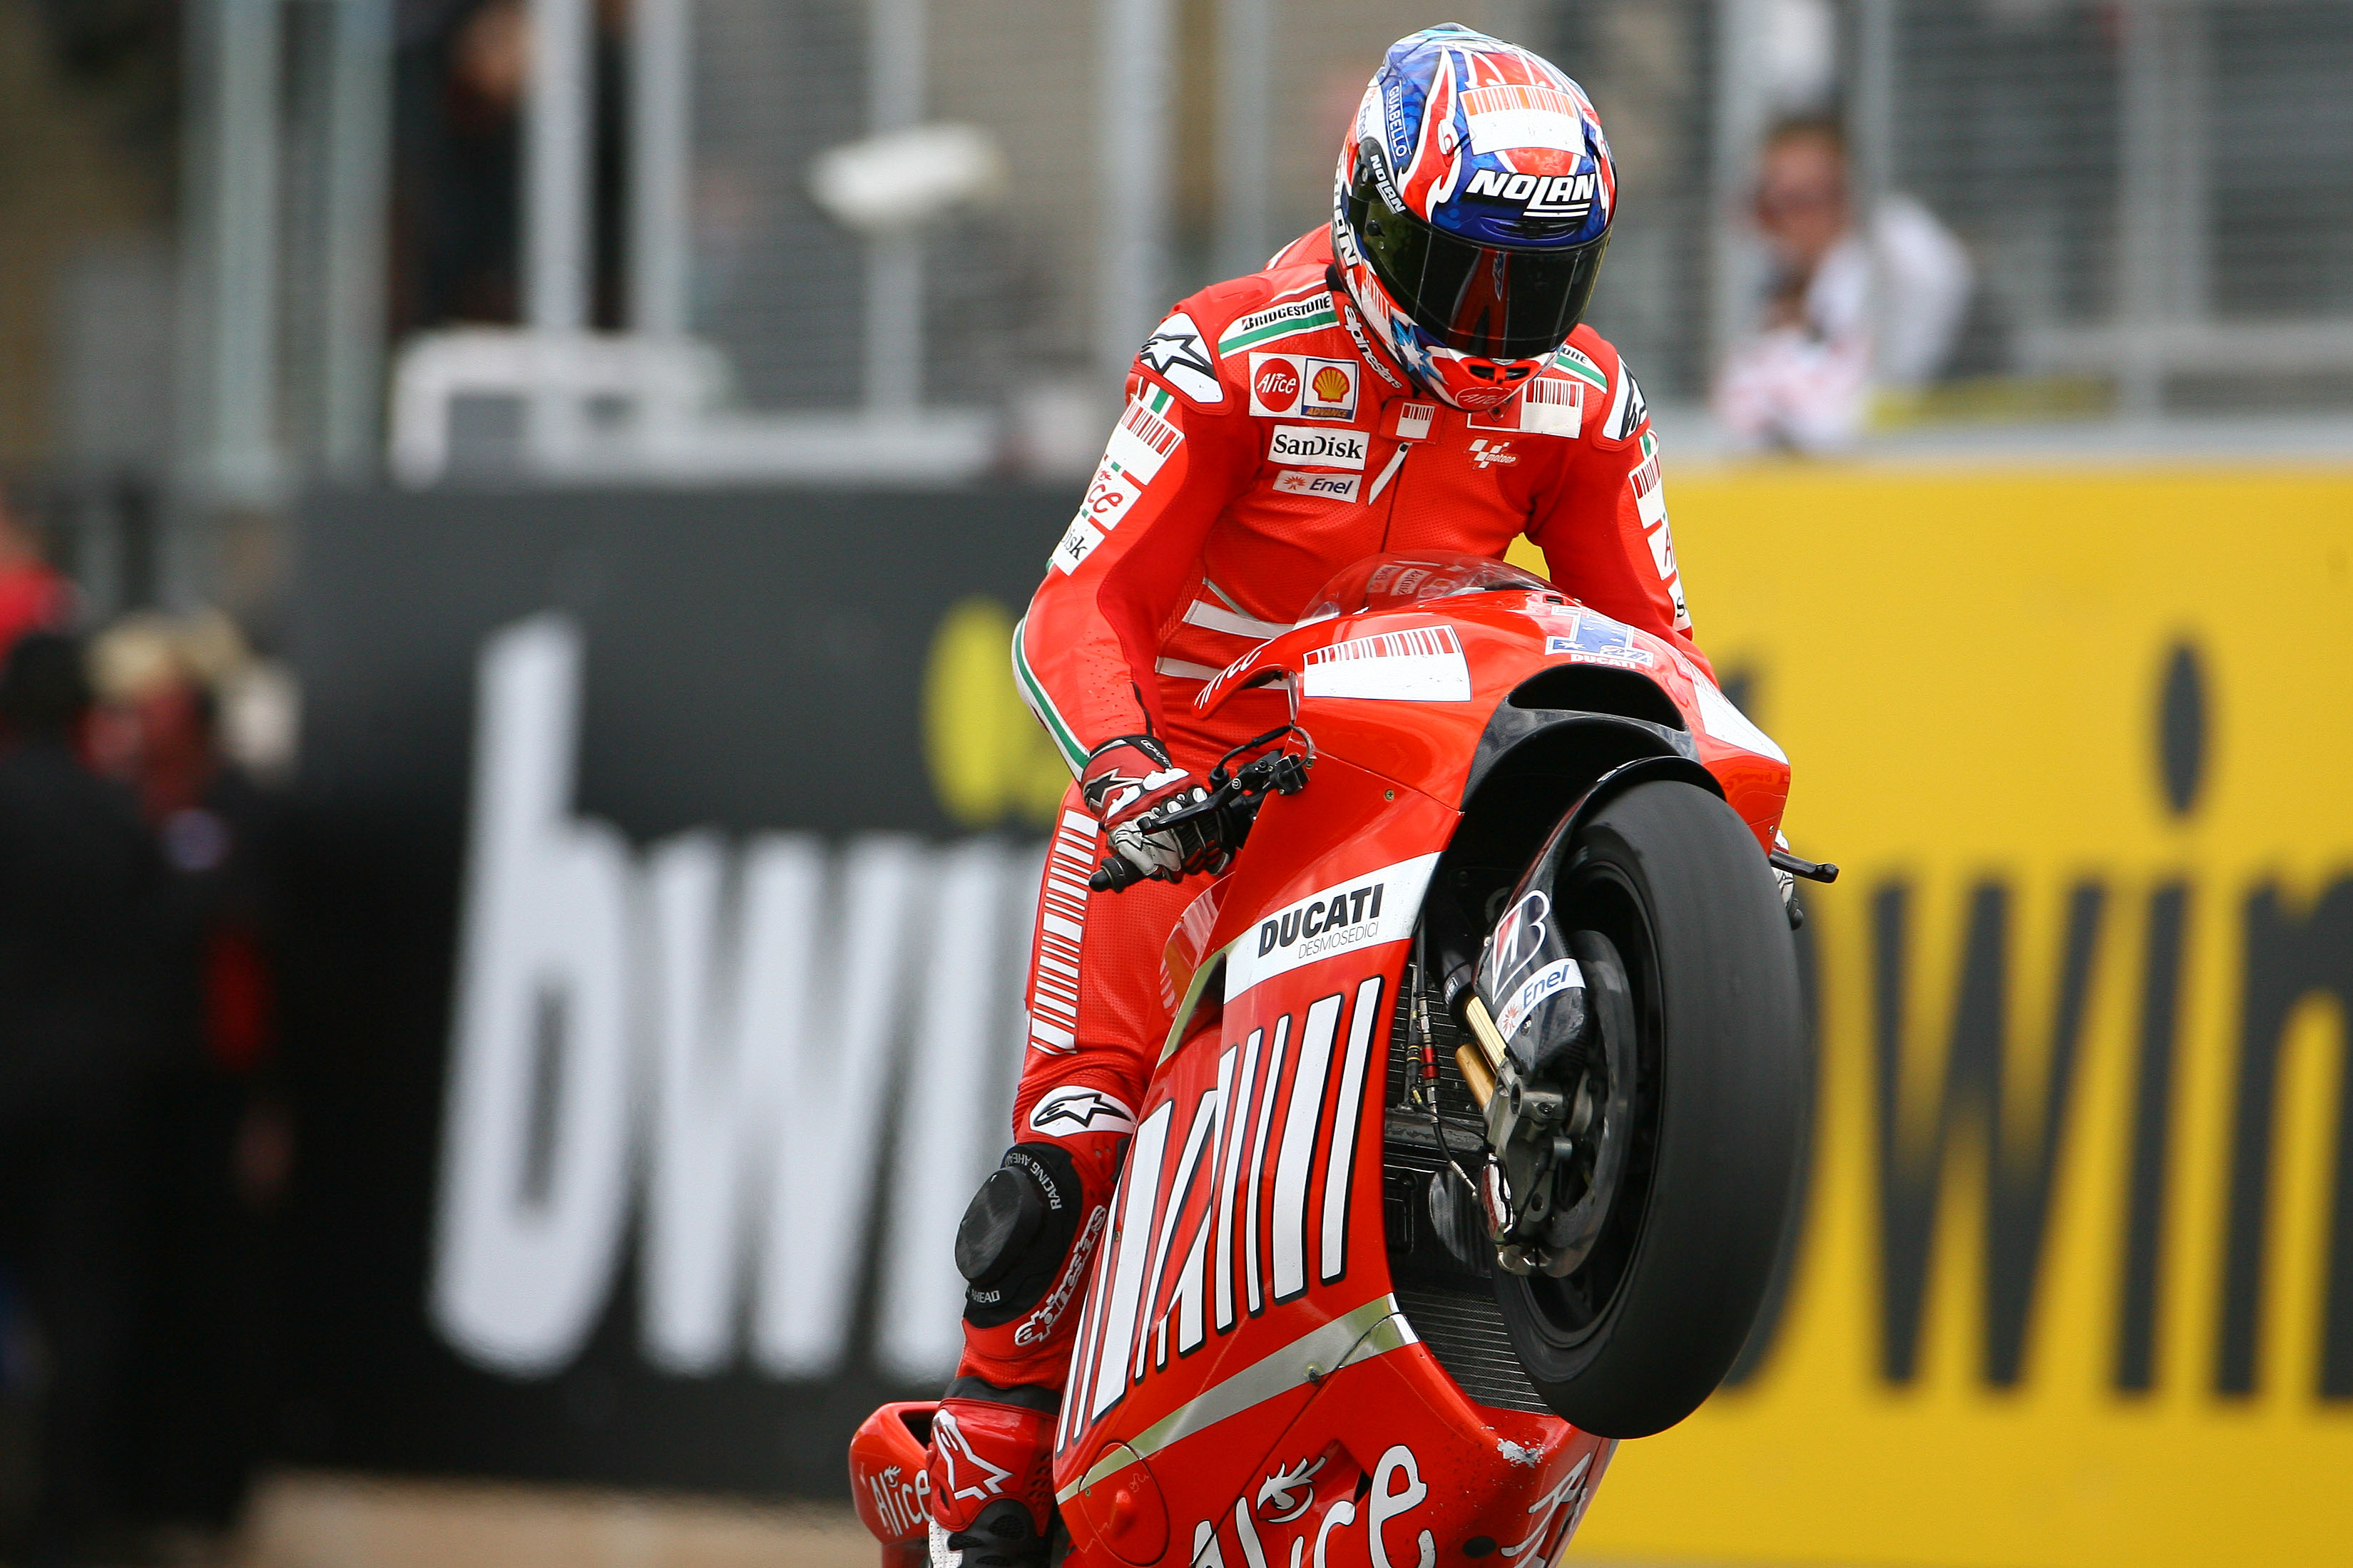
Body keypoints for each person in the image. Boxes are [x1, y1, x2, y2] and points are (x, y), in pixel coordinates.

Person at [926, 28, 1705, 1567]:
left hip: (1401, 805)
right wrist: (1130, 770)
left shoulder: (1583, 402)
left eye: (1532, 282)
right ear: (1364, 213)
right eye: (1456, 271)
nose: (1495, 327)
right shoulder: (1226, 355)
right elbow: (1072, 610)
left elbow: (1657, 659)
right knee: (1063, 1166)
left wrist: (1687, 833)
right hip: (1194, 810)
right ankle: (980, 1493)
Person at [0, 633, 162, 1563]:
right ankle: (69, 1509)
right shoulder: (118, 819)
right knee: (86, 1310)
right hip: (96, 1100)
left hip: (14, 1088)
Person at [1711, 114, 1973, 452]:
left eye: (1806, 199)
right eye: (1774, 202)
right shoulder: (1754, 291)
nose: (1788, 220)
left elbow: (1938, 271)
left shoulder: (1887, 282)